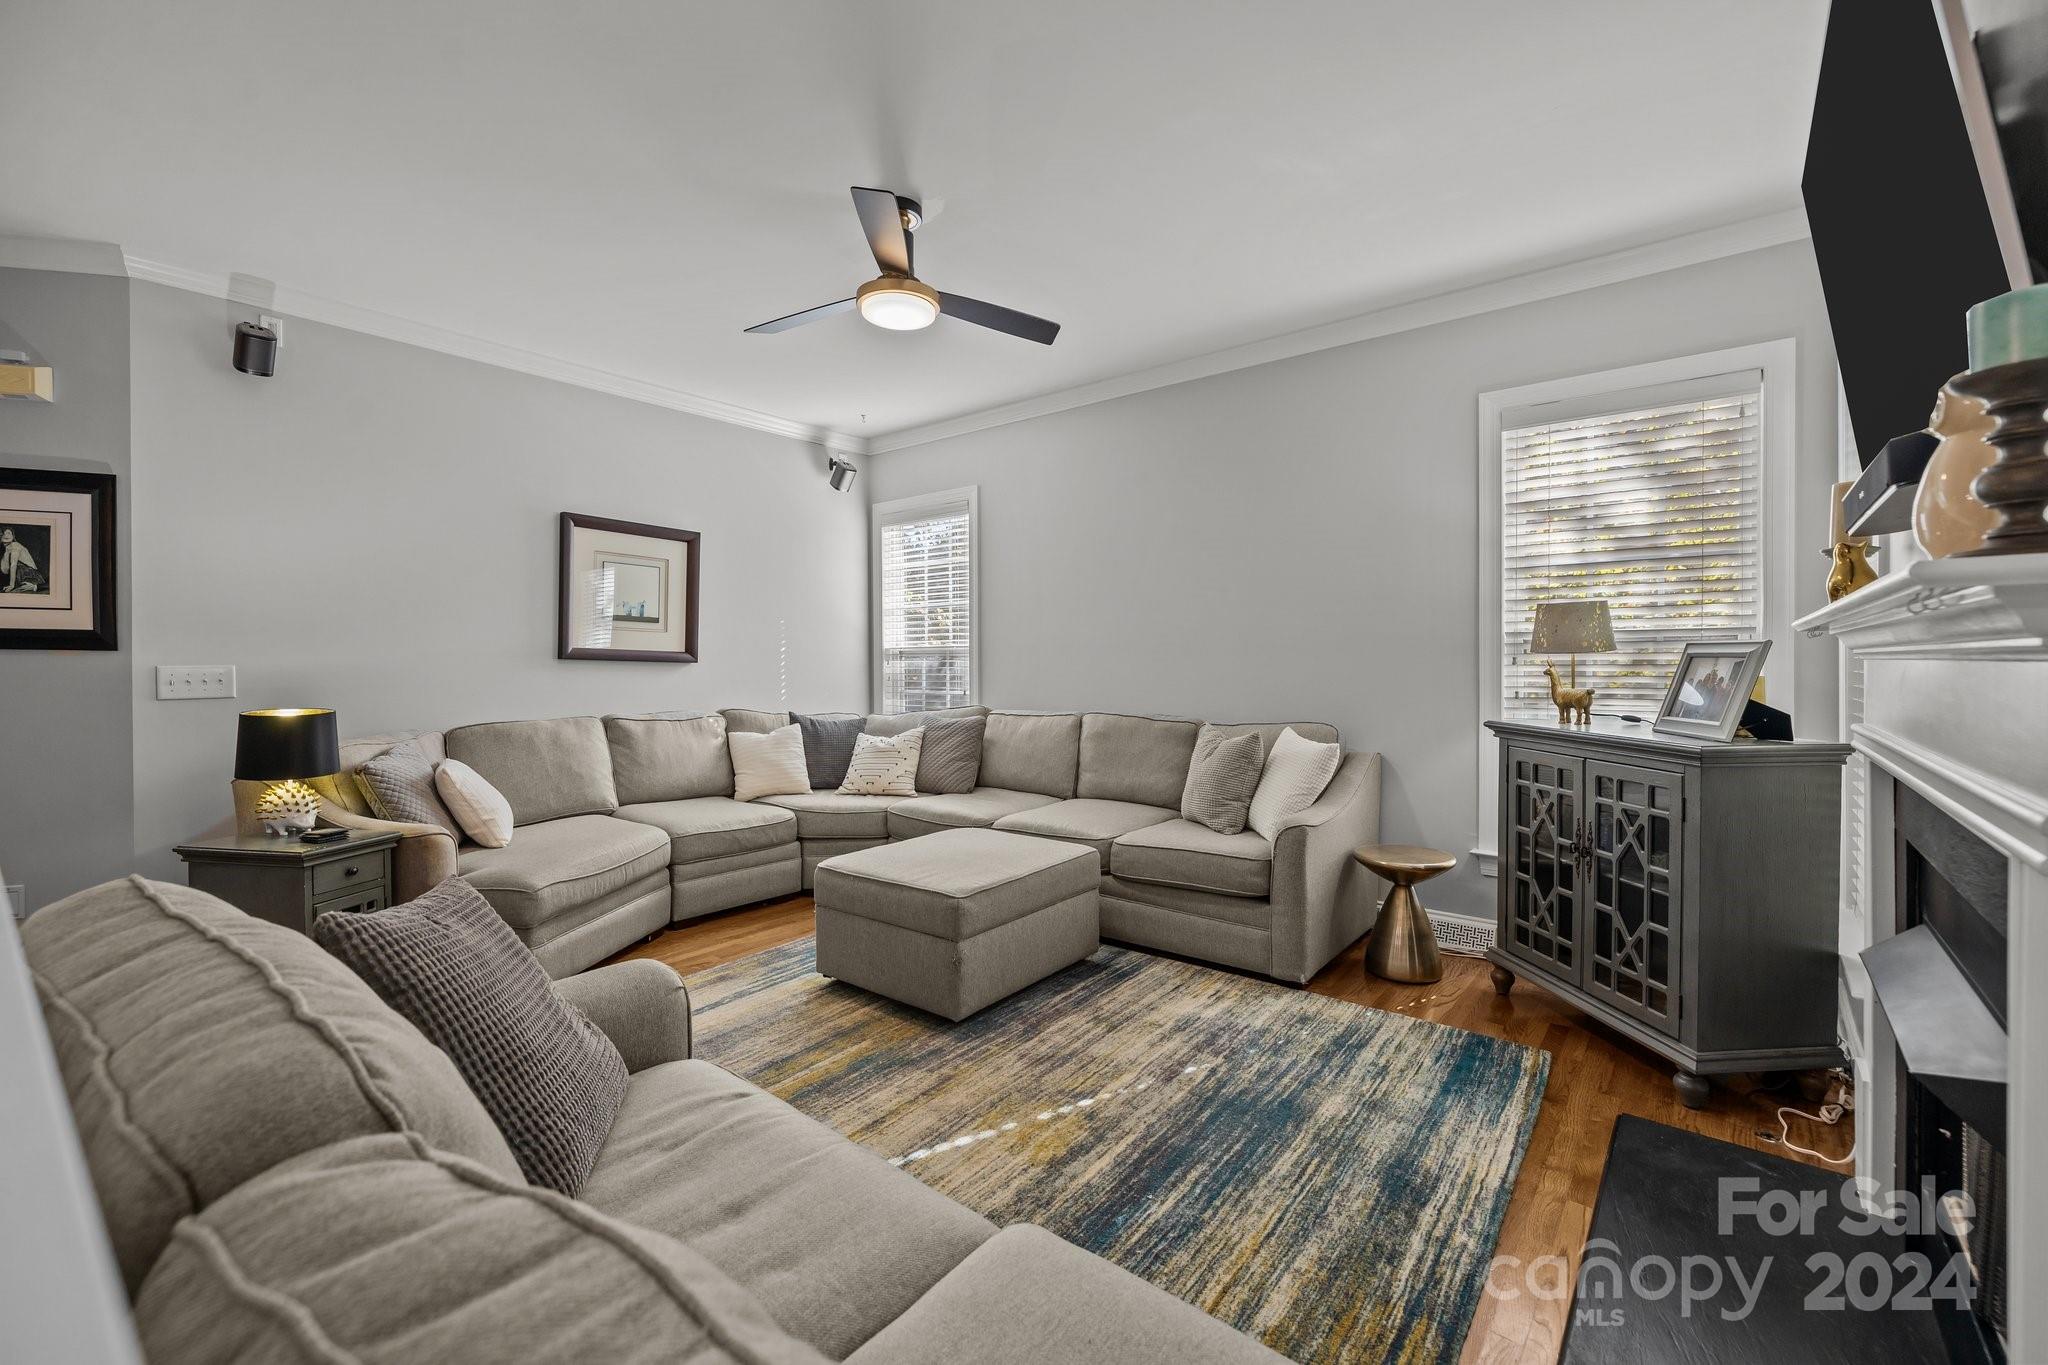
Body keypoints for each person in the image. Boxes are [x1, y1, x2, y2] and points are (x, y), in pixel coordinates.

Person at [1, 526, 46, 593]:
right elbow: (5, 570)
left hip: (29, 575)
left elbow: (13, 565)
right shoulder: (7, 550)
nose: (6, 535)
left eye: (8, 533)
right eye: (3, 533)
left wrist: (11, 585)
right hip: (20, 577)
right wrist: (6, 553)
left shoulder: (15, 545)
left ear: (13, 536)